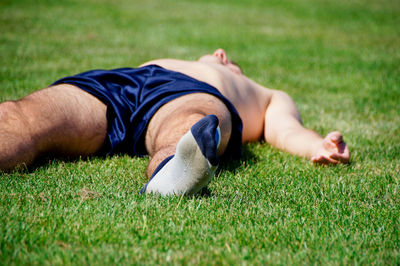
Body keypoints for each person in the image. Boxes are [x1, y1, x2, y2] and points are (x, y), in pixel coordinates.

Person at [0, 48, 350, 195]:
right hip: (125, 84)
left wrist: (316, 145)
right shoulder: (200, 60)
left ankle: (173, 169)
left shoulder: (266, 94)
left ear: (223, 59)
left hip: (192, 94)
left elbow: (287, 130)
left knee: (190, 123)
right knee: (30, 114)